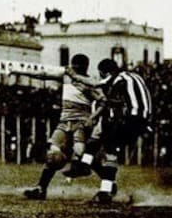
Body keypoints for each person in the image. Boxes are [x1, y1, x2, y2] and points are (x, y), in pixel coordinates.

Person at [12, 54, 104, 200]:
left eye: (75, 66)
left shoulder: (88, 83)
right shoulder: (66, 77)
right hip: (64, 121)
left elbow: (103, 101)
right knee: (53, 156)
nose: (72, 68)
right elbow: (43, 75)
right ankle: (41, 188)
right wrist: (20, 71)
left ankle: (107, 181)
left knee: (81, 154)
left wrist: (92, 118)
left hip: (80, 122)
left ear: (81, 67)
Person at [65, 59, 152, 204]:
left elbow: (94, 84)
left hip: (129, 118)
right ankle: (103, 188)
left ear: (105, 73)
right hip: (143, 120)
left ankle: (85, 167)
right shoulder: (134, 76)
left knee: (103, 137)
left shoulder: (117, 79)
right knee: (110, 151)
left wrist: (73, 75)